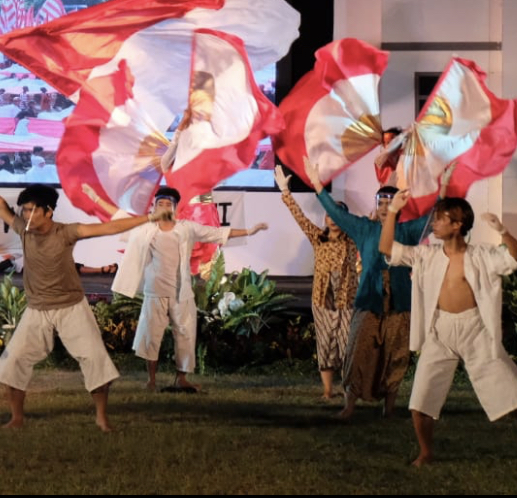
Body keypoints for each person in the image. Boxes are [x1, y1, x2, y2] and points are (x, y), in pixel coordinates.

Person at [0, 171, 160, 431]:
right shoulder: (23, 230)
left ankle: (102, 419)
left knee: (95, 360)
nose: (26, 216)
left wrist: (150, 217)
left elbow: (109, 227)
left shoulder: (66, 232)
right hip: (37, 309)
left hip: (71, 307)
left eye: (32, 210)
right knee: (13, 362)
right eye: (24, 210)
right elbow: (0, 205)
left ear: (48, 212)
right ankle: (16, 419)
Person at [379, 189, 517, 466]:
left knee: (512, 390)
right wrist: (393, 211)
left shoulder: (481, 255)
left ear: (457, 225)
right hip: (439, 330)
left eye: (441, 219)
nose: (435, 223)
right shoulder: (426, 255)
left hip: (476, 329)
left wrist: (503, 232)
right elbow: (387, 249)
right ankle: (426, 452)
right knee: (420, 400)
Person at [303, 157, 432, 419]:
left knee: (395, 355)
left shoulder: (407, 231)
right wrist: (317, 183)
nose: (384, 207)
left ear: (399, 205)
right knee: (358, 351)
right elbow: (337, 213)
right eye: (380, 203)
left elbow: (432, 218)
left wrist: (446, 187)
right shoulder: (364, 229)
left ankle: (389, 408)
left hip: (399, 303)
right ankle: (349, 405)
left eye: (389, 203)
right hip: (368, 300)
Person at [107, 185, 267, 392]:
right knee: (150, 336)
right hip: (155, 291)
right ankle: (151, 380)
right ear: (154, 207)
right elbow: (120, 219)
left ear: (175, 208)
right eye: (160, 204)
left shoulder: (187, 228)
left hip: (181, 292)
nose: (164, 207)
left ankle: (182, 379)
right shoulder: (145, 229)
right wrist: (95, 198)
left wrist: (250, 231)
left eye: (168, 204)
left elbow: (216, 233)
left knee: (186, 335)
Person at [275, 166, 358, 400]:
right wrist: (285, 191)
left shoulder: (352, 240)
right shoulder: (317, 237)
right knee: (326, 344)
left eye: (338, 216)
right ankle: (327, 390)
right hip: (322, 299)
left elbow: (374, 222)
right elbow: (299, 216)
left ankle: (348, 389)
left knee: (346, 344)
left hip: (346, 299)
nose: (333, 220)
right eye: (330, 215)